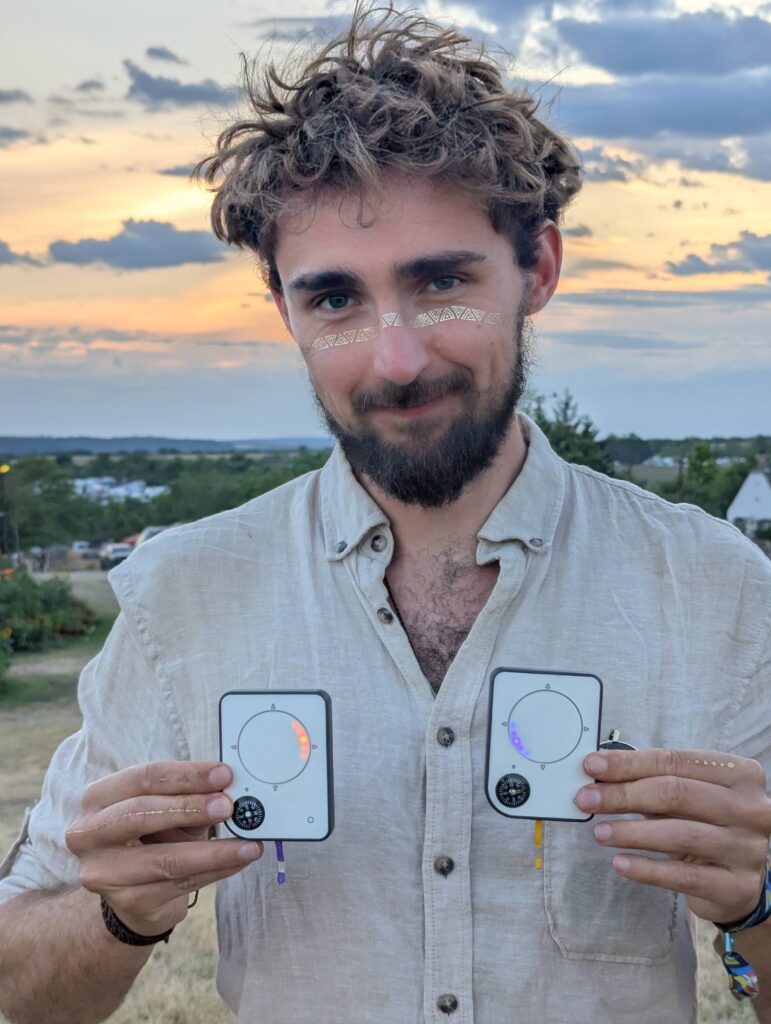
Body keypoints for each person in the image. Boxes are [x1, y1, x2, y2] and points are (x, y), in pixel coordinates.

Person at [1, 5, 770, 1023]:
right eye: (334, 300)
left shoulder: (713, 586)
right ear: (284, 309)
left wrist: (759, 901)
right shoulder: (180, 601)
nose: (396, 358)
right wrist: (117, 913)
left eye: (442, 281)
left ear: (538, 269)